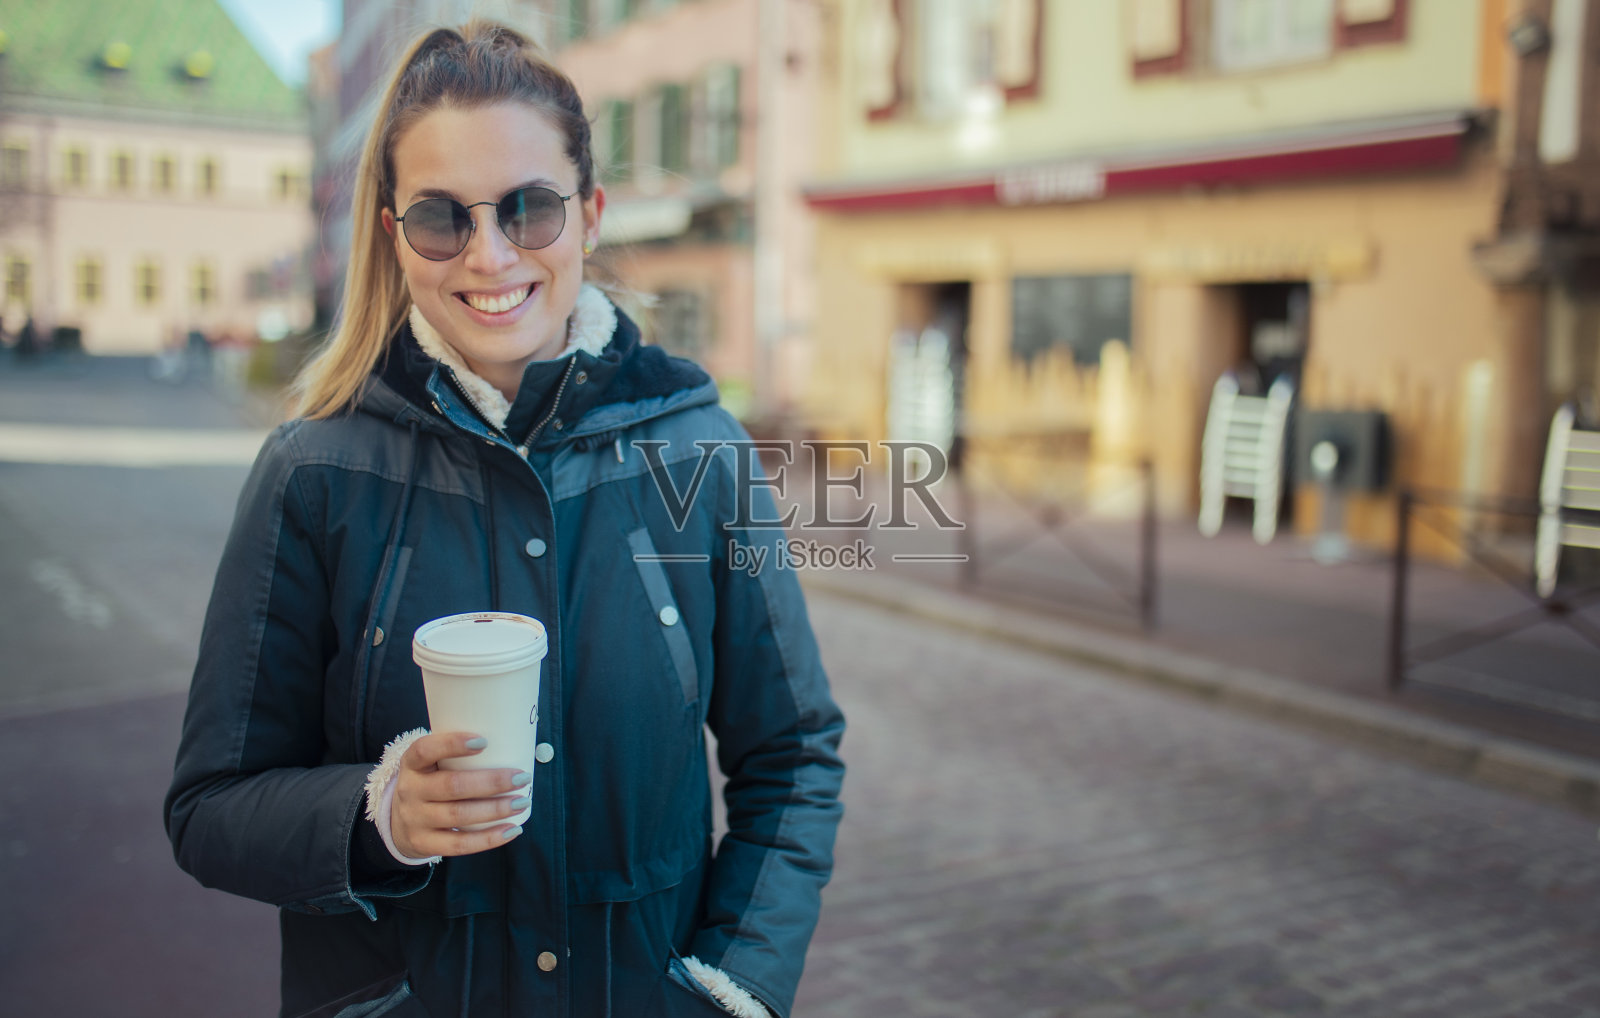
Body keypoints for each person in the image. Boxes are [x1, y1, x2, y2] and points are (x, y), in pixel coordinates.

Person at [164, 21, 844, 1018]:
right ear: (395, 233)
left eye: (528, 208)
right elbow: (208, 807)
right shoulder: (312, 471)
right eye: (443, 217)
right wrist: (375, 812)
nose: (489, 255)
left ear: (590, 216)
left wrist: (732, 988)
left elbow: (792, 754)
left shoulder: (700, 450)